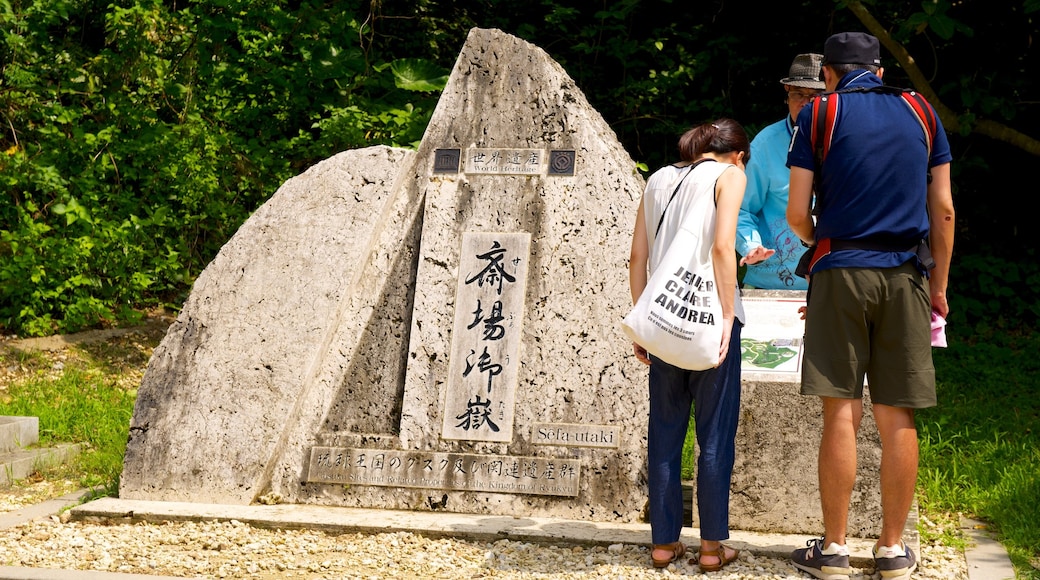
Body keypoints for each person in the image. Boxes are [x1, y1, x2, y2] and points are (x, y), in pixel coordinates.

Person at [785, 32, 955, 580]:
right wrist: (939, 289)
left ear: (829, 73)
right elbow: (945, 211)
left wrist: (823, 246)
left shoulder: (819, 114)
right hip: (906, 271)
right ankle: (891, 551)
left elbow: (795, 213)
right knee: (896, 412)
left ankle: (833, 551)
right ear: (879, 70)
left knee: (841, 410)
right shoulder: (921, 111)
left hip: (840, 270)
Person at [628, 119, 749, 572]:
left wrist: (644, 322)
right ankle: (713, 548)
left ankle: (663, 544)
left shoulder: (658, 178)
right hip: (708, 324)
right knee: (714, 435)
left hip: (663, 324)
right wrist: (725, 314)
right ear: (738, 153)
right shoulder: (730, 176)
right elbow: (722, 248)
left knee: (664, 430)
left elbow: (637, 257)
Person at [737, 54, 825, 290]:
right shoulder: (765, 144)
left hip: (829, 286)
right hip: (771, 284)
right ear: (786, 93)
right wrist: (750, 246)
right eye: (798, 94)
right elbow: (742, 209)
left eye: (815, 96)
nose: (806, 103)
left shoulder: (845, 141)